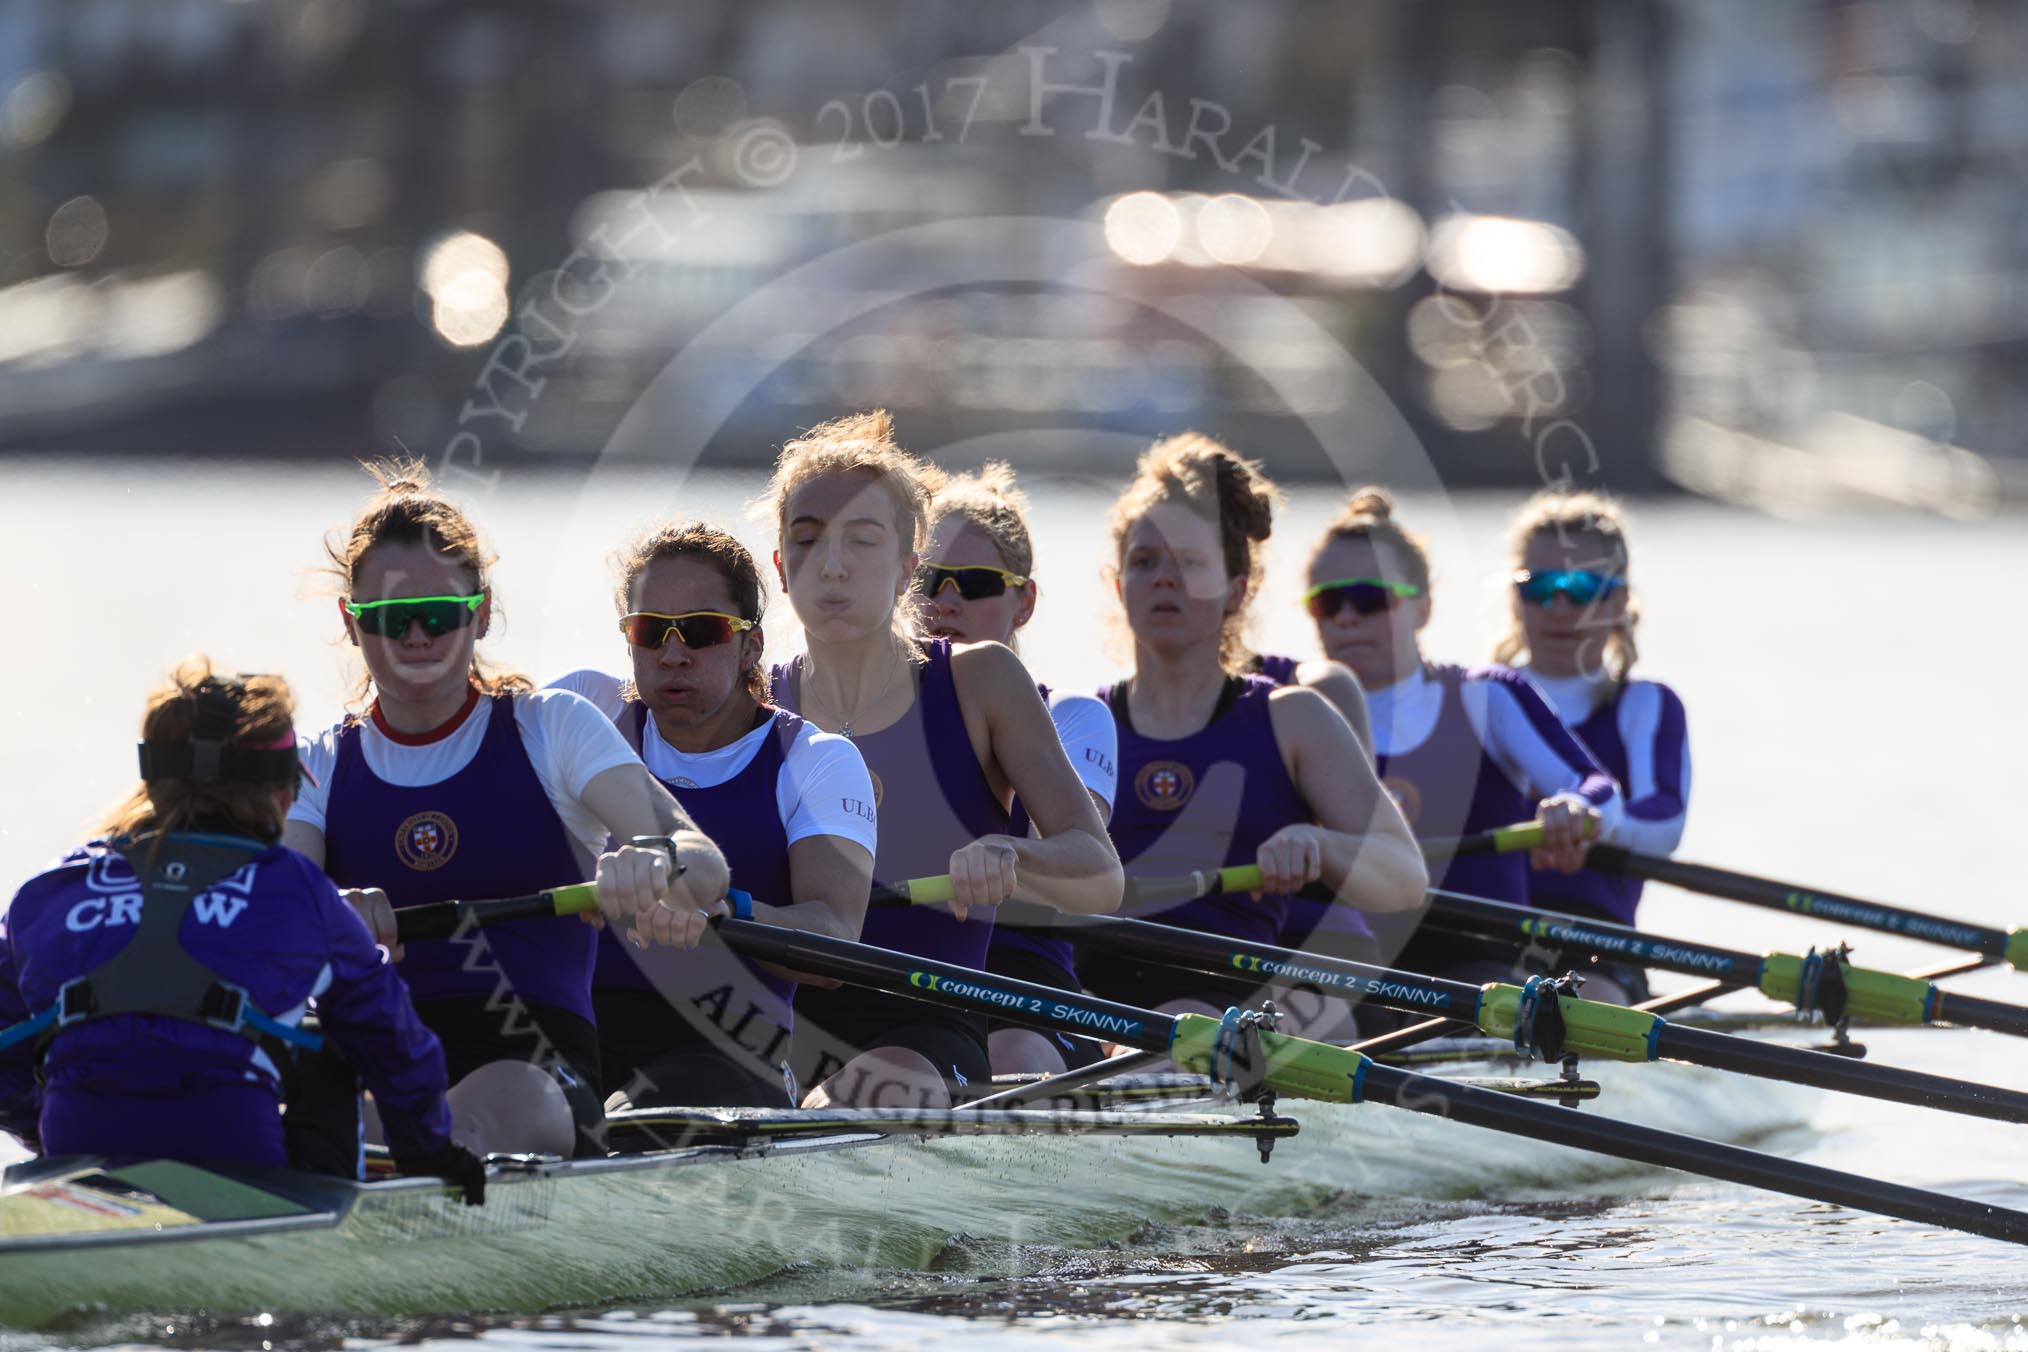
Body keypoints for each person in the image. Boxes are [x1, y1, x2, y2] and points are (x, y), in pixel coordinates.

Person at [284, 461, 728, 1155]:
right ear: (351, 622)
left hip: (536, 1074)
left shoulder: (553, 727)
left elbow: (702, 862)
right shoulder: (320, 762)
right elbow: (275, 902)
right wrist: (322, 910)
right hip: (377, 1063)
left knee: (482, 1110)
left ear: (481, 613)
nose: (416, 637)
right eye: (390, 619)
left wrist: (654, 862)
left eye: (438, 615)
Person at [0, 660, 482, 1200]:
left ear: (156, 782)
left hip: (78, 1150)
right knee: (326, 1036)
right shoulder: (296, 888)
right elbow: (395, 1041)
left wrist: (48, 1132)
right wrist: (429, 1152)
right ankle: (328, 1225)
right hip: (234, 1154)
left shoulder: (50, 889)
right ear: (278, 791)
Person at [762, 412, 1122, 1108]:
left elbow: (1100, 874)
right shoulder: (752, 698)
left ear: (905, 567)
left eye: (862, 542)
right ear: (780, 567)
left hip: (922, 1027)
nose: (831, 565)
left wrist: (1013, 857)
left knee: (856, 1096)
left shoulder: (979, 682)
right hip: (776, 1024)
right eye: (806, 541)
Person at [1087, 434, 1427, 1031]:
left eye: (1189, 563)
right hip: (1092, 990)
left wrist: (1320, 845)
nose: (1164, 579)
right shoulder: (1081, 721)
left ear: (1235, 589)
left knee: (1183, 1016)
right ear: (1119, 587)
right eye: (1144, 562)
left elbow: (1403, 878)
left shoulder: (1293, 719)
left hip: (1230, 994)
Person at [552, 522, 877, 1109]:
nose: (673, 654)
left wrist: (726, 912)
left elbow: (836, 944)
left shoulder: (818, 760)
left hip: (732, 1053)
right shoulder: (587, 711)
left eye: (701, 632)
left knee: (648, 1104)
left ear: (750, 645)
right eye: (650, 632)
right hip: (579, 1033)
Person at [1302, 487, 1623, 986]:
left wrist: (1578, 809)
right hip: (1347, 970)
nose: (1346, 617)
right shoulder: (1292, 710)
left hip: (1479, 970)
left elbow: (1595, 784)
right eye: (1328, 602)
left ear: (1422, 607)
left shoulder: (1484, 698)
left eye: (1370, 598)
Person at [916, 462, 1119, 1074]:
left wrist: (1001, 854)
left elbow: (1076, 858)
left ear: (1023, 601)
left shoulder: (1074, 715)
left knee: (1006, 1058)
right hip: (904, 968)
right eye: (928, 579)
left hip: (1021, 980)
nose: (946, 600)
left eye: (973, 583)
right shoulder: (856, 721)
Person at [1488, 491, 1689, 1002]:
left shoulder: (1644, 705)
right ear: (1515, 599)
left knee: (1581, 999)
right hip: (1476, 934)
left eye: (1582, 588)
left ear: (1620, 602)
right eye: (1539, 587)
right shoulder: (1475, 699)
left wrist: (1585, 822)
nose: (1559, 606)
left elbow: (1662, 823)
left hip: (1594, 946)